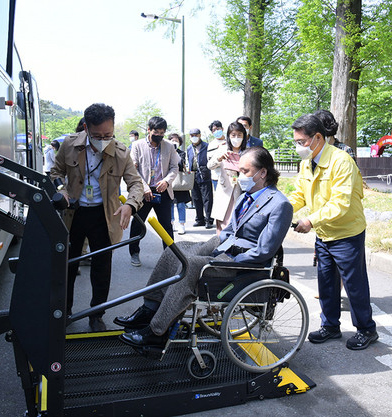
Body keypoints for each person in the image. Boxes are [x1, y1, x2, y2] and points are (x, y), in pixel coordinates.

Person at [114, 147, 293, 347]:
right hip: (224, 246)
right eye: (239, 171)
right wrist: (219, 247)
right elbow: (229, 230)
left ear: (263, 173)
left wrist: (229, 258)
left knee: (190, 265)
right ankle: (150, 308)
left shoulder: (279, 204)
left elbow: (265, 251)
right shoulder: (246, 196)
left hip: (243, 262)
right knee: (175, 250)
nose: (240, 176)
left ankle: (157, 331)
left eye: (246, 172)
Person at [50, 103, 144, 332]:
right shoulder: (69, 145)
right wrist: (61, 190)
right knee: (67, 268)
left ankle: (96, 314)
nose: (103, 140)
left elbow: (136, 184)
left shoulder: (121, 152)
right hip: (74, 214)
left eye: (108, 135)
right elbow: (55, 173)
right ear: (86, 127)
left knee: (102, 268)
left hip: (105, 216)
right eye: (97, 135)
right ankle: (65, 312)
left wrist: (130, 205)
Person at [288, 113, 377, 350]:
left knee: (354, 284)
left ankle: (366, 329)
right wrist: (284, 209)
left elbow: (340, 203)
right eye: (296, 142)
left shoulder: (341, 161)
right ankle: (330, 326)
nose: (299, 147)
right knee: (326, 282)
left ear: (318, 137)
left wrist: (310, 221)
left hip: (347, 232)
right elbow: (299, 193)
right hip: (325, 232)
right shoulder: (307, 162)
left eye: (301, 142)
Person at [129, 116, 179, 267]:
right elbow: (133, 169)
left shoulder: (169, 146)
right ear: (149, 130)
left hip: (162, 190)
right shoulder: (137, 145)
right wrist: (144, 187)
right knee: (138, 223)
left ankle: (170, 256)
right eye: (157, 131)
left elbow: (174, 167)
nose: (160, 135)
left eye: (163, 132)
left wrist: (166, 181)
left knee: (166, 225)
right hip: (143, 191)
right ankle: (134, 252)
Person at [207, 122, 248, 233]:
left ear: (244, 136)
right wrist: (219, 159)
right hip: (224, 189)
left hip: (241, 190)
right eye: (233, 135)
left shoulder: (247, 152)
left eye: (239, 135)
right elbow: (209, 165)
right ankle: (220, 245)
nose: (236, 138)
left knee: (237, 220)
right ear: (229, 136)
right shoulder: (222, 149)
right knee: (222, 219)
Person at [187, 128, 214, 229]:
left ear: (199, 135)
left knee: (207, 198)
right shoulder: (189, 148)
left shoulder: (206, 146)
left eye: (196, 135)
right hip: (193, 175)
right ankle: (199, 219)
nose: (194, 137)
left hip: (205, 174)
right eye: (192, 135)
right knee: (196, 198)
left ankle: (209, 219)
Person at [168, 133, 192, 235]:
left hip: (180, 182)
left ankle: (182, 224)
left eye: (176, 140)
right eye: (172, 140)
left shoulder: (181, 153)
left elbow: (180, 163)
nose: (174, 142)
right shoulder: (166, 152)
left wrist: (174, 152)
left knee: (181, 204)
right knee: (170, 204)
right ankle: (171, 222)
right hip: (169, 181)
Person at [206, 120, 226, 190]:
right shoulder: (211, 145)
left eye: (218, 129)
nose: (216, 131)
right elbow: (210, 163)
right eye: (214, 130)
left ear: (222, 129)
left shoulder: (229, 141)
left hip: (232, 176)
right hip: (217, 177)